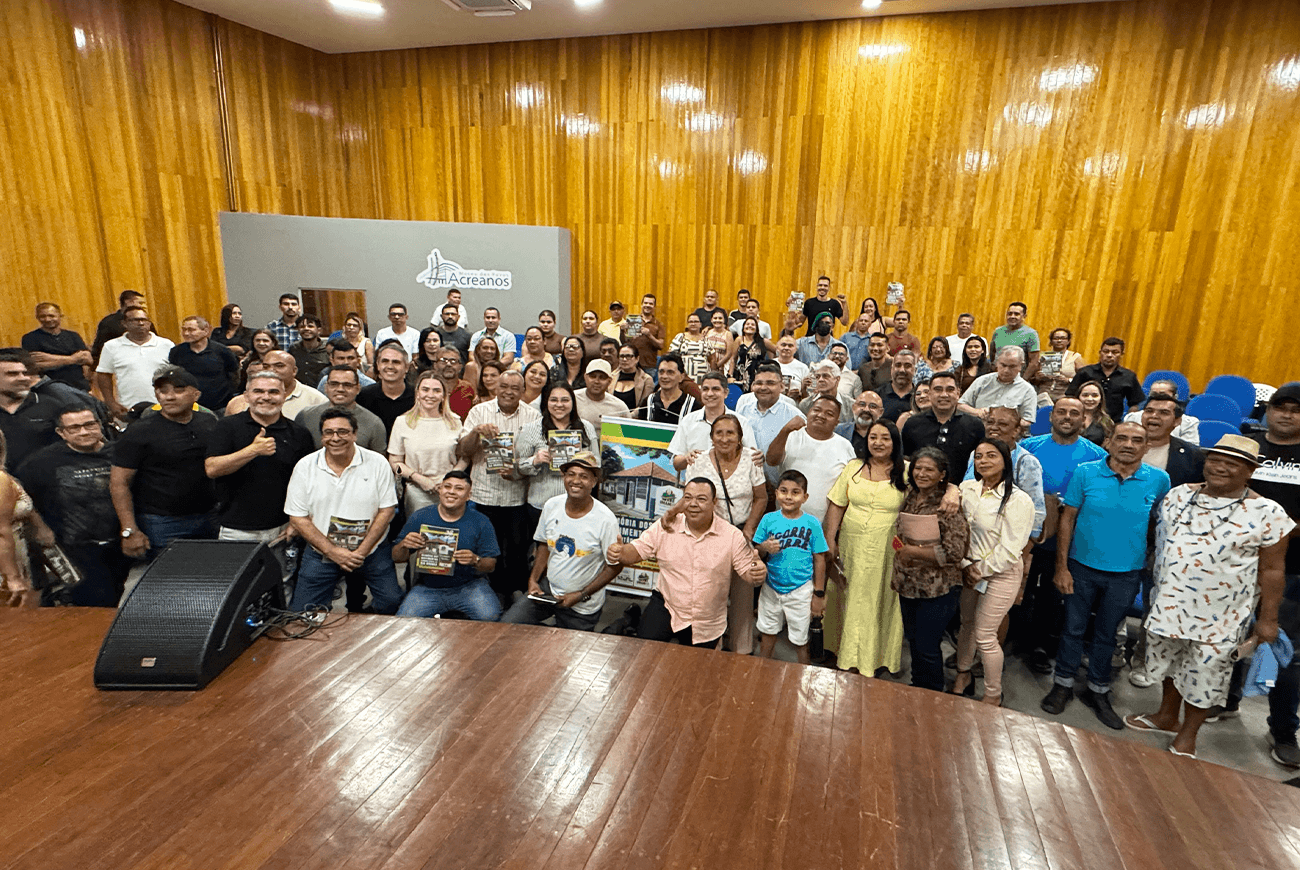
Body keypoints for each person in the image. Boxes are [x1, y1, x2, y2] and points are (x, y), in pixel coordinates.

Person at [1124, 435, 1293, 758]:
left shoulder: (1268, 513)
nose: (1220, 468)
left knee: (1207, 673)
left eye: (1233, 464)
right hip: (1170, 603)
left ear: (1250, 471)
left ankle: (1189, 734)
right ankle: (1166, 716)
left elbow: (1273, 570)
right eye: (1215, 460)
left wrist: (1268, 619)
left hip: (1222, 614)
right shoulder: (1177, 496)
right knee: (1169, 663)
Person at [1040, 422, 1170, 729]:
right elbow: (1067, 518)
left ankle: (1098, 690)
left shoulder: (1159, 480)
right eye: (1121, 438)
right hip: (1081, 567)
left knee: (1107, 634)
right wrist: (1062, 566)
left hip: (1126, 573)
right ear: (1109, 442)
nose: (1128, 444)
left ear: (1146, 447)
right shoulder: (1086, 472)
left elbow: (1159, 524)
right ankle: (1063, 683)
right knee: (1073, 628)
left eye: (1137, 440)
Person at [607, 478, 766, 647]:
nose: (693, 504)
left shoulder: (732, 535)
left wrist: (756, 572)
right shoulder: (666, 526)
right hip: (667, 606)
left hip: (707, 619)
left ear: (715, 502)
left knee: (694, 668)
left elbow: (748, 573)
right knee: (644, 653)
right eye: (688, 498)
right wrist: (620, 552)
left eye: (701, 499)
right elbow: (636, 552)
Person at [1016, 397, 1109, 672]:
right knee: (1018, 590)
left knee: (1052, 598)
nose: (1067, 417)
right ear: (1051, 417)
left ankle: (1041, 646)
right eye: (1061, 412)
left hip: (1068, 541)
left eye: (1074, 413)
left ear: (1084, 420)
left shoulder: (1097, 456)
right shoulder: (1028, 448)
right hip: (1026, 537)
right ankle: (1013, 638)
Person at [284, 409, 402, 614]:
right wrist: (333, 552)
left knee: (392, 603)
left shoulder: (377, 463)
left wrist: (360, 552)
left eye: (342, 432)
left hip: (371, 550)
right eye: (328, 432)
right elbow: (298, 517)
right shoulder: (305, 467)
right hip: (322, 551)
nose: (335, 438)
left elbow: (387, 510)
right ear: (321, 436)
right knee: (301, 614)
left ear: (355, 434)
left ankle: (362, 631)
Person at [15, 406, 129, 606]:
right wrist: (40, 528)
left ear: (100, 425)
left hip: (122, 543)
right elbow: (21, 496)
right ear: (61, 432)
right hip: (75, 548)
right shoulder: (40, 463)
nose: (84, 432)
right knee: (95, 603)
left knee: (124, 598)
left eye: (89, 425)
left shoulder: (122, 453)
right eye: (74, 428)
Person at [952, 439, 1036, 706]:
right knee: (966, 626)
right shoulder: (967, 489)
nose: (984, 461)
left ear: (1005, 461)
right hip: (969, 571)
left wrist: (981, 570)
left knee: (986, 635)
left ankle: (993, 693)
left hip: (1000, 574)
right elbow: (958, 531)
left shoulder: (1018, 499)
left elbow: (1012, 547)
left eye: (991, 456)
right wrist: (967, 566)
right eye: (978, 457)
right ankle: (963, 675)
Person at [501, 451, 623, 630]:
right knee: (508, 625)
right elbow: (543, 544)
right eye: (571, 474)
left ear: (594, 482)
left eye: (584, 476)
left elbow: (615, 566)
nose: (576, 481)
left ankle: (620, 624)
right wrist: (533, 580)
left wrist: (581, 595)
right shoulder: (551, 505)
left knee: (568, 654)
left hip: (582, 601)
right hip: (548, 590)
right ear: (563, 477)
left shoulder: (606, 519)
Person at [204, 370, 315, 566]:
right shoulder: (226, 427)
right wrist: (252, 451)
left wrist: (297, 523)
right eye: (258, 391)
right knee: (238, 588)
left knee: (282, 585)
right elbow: (212, 469)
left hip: (281, 528)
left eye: (273, 392)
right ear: (246, 396)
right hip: (236, 530)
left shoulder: (299, 434)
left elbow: (308, 484)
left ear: (284, 396)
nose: (266, 397)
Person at [823, 420, 908, 674]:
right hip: (851, 543)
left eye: (885, 438)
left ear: (895, 442)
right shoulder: (853, 468)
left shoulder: (906, 471)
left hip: (887, 547)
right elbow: (837, 504)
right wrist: (830, 539)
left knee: (877, 598)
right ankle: (843, 652)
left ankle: (874, 657)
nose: (878, 443)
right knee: (848, 593)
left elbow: (934, 490)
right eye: (873, 437)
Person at [1245, 383, 1300, 768]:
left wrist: (1277, 530)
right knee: (1230, 638)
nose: (1286, 414)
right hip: (1239, 561)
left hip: (1294, 566)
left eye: (1296, 410)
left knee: (1285, 649)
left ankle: (1283, 729)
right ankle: (1225, 701)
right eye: (1280, 407)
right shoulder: (1248, 444)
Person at [110, 367, 218, 561]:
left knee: (210, 577)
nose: (169, 397)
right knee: (169, 583)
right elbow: (119, 483)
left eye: (178, 390)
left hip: (209, 516)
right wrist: (129, 530)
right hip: (162, 522)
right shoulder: (139, 432)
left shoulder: (209, 422)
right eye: (162, 391)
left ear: (196, 394)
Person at [682, 415, 768, 654]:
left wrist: (749, 529)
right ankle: (711, 645)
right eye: (719, 433)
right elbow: (689, 499)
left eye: (730, 433)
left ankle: (742, 649)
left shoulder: (752, 459)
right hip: (709, 534)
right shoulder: (698, 460)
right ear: (711, 437)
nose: (724, 438)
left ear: (740, 437)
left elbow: (762, 497)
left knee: (743, 594)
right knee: (711, 592)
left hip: (742, 532)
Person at [458, 369, 541, 604]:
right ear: (496, 387)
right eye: (504, 386)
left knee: (515, 550)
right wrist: (476, 433)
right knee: (485, 549)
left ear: (523, 391)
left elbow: (535, 456)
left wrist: (516, 471)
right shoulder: (478, 411)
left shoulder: (533, 416)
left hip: (517, 495)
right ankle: (486, 594)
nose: (509, 392)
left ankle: (512, 592)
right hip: (483, 494)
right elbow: (464, 450)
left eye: (515, 388)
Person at [893, 447, 970, 691]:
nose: (922, 473)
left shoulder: (947, 505)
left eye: (929, 469)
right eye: (918, 468)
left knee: (927, 646)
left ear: (942, 475)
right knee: (914, 642)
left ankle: (933, 695)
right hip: (908, 584)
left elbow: (955, 553)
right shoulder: (910, 496)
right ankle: (917, 687)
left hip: (938, 588)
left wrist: (914, 552)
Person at [391, 470, 502, 621]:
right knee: (403, 621)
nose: (451, 492)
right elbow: (397, 558)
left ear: (469, 495)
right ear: (440, 490)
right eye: (447, 486)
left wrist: (475, 560)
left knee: (491, 617)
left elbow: (491, 565)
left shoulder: (481, 521)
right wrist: (404, 545)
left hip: (469, 586)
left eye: (459, 488)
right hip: (428, 588)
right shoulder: (421, 516)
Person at [754, 469, 829, 664]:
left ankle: (803, 675)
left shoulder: (812, 523)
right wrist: (764, 547)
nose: (788, 497)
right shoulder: (768, 519)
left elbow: (820, 559)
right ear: (777, 493)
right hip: (771, 586)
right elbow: (757, 552)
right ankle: (762, 667)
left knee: (801, 639)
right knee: (767, 632)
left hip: (801, 589)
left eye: (795, 492)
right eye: (784, 491)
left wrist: (818, 593)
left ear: (805, 497)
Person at [0, 349, 111, 472]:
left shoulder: (52, 406)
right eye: (12, 374)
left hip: (47, 480)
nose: (23, 378)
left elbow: (88, 442)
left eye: (24, 373)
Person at [517, 382, 598, 523]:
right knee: (542, 545)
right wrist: (535, 460)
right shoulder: (531, 429)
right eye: (553, 400)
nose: (559, 405)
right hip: (542, 503)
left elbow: (597, 462)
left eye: (565, 400)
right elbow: (519, 467)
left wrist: (585, 461)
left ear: (573, 402)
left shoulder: (586, 427)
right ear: (546, 402)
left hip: (579, 503)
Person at [769, 396, 857, 525]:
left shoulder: (845, 446)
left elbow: (850, 488)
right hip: (784, 523)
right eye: (816, 410)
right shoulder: (791, 435)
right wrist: (785, 430)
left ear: (837, 422)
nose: (821, 415)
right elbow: (771, 461)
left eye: (829, 414)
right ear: (808, 412)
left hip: (822, 527)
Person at [388, 370, 466, 513]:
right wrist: (419, 479)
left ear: (443, 396)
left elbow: (465, 458)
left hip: (450, 490)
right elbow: (395, 462)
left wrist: (448, 479)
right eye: (425, 389)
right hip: (416, 492)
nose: (430, 395)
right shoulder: (402, 422)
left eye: (436, 391)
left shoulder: (455, 422)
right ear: (417, 393)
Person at [902, 370, 985, 483]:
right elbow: (905, 460)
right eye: (938, 389)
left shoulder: (975, 425)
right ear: (930, 394)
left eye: (950, 390)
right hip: (921, 492)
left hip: (962, 493)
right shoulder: (912, 424)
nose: (944, 395)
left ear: (958, 393)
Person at [95, 306, 174, 418]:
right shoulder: (111, 346)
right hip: (127, 408)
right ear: (124, 324)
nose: (141, 323)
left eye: (144, 320)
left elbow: (175, 374)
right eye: (135, 320)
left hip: (163, 407)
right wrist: (110, 402)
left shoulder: (167, 345)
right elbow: (103, 374)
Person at [668, 371, 758, 467]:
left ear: (726, 393)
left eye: (715, 389)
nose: (710, 394)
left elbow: (753, 459)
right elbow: (676, 463)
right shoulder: (688, 421)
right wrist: (686, 458)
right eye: (705, 389)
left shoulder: (741, 422)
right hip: (696, 480)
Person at [734, 363, 804, 486]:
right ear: (752, 386)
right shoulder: (743, 412)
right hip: (746, 483)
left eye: (770, 383)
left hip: (780, 487)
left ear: (782, 387)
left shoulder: (794, 416)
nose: (763, 387)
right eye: (759, 383)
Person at [0, 429, 47, 609]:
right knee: (17, 616)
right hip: (7, 557)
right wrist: (12, 577)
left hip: (16, 549)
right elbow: (1, 531)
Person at [298, 365, 387, 453]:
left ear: (358, 389)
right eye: (334, 384)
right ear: (326, 387)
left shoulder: (373, 423)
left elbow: (379, 462)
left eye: (347, 385)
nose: (340, 389)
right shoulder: (306, 417)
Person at [224, 350, 327, 421]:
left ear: (294, 371)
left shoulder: (316, 400)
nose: (271, 370)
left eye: (279, 366)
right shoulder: (238, 403)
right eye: (266, 366)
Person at [169, 315, 239, 412]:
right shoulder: (176, 352)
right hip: (190, 408)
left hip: (220, 407)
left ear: (205, 331)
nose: (186, 333)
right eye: (184, 330)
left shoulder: (222, 351)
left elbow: (234, 374)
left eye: (191, 330)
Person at [1066, 338, 1144, 420]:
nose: (1109, 355)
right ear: (1100, 353)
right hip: (1083, 421)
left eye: (1115, 352)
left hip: (1113, 423)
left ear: (1121, 354)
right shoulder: (1085, 372)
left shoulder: (1129, 376)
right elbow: (1070, 396)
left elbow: (1135, 403)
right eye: (1106, 351)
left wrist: (1129, 421)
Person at [1138, 392, 1204, 487]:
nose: (1154, 416)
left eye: (1164, 412)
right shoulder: (1120, 446)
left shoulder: (1193, 456)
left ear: (1177, 421)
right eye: (1149, 411)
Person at [958, 346, 1037, 424]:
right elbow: (960, 404)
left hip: (1007, 433)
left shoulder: (1027, 390)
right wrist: (977, 412)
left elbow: (1028, 421)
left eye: (1012, 366)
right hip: (977, 429)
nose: (1006, 370)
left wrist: (1005, 420)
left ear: (1021, 366)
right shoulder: (982, 381)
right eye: (1003, 365)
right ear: (997, 363)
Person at [22, 303, 91, 391]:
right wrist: (73, 359)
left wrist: (49, 358)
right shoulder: (30, 338)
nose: (47, 319)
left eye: (51, 316)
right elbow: (36, 365)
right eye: (42, 316)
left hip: (79, 386)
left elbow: (88, 359)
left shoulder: (73, 336)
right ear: (37, 317)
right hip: (50, 388)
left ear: (60, 316)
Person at [357, 343, 415, 436]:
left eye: (396, 362)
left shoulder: (417, 396)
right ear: (378, 365)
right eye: (385, 361)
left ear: (406, 367)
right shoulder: (363, 396)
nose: (390, 366)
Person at [1122, 379, 1200, 443]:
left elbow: (1190, 451)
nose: (1158, 398)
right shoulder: (1132, 418)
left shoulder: (1189, 422)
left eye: (1163, 394)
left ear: (1175, 397)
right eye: (1154, 394)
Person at [635, 354, 698, 424]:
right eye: (661, 372)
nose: (664, 376)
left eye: (670, 372)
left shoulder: (693, 406)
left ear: (681, 377)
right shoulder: (648, 402)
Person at [574, 359, 627, 438]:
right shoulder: (571, 399)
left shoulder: (619, 407)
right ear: (585, 377)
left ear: (609, 381)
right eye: (593, 376)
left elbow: (628, 437)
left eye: (602, 378)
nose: (596, 381)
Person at [1031, 328, 1083, 405]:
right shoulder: (1043, 356)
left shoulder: (1075, 357)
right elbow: (1033, 380)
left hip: (1065, 395)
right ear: (1051, 341)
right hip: (1044, 394)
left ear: (1068, 341)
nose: (1059, 341)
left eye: (1063, 338)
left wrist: (1068, 380)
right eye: (1056, 338)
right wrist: (1038, 377)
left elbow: (1083, 378)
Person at [91, 289, 146, 363]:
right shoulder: (108, 323)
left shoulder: (146, 321)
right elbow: (100, 349)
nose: (144, 306)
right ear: (128, 302)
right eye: (141, 303)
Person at [990, 301, 1040, 375]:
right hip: (998, 376)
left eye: (1016, 314)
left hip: (1017, 378)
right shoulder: (998, 331)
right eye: (1009, 314)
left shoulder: (1031, 334)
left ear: (1024, 316)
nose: (1012, 316)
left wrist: (1023, 381)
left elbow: (1034, 362)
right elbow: (993, 353)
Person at [721, 316, 768, 391]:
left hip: (758, 376)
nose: (749, 326)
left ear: (756, 329)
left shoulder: (763, 341)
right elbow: (733, 358)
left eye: (752, 324)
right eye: (747, 324)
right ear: (743, 327)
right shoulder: (739, 339)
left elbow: (777, 351)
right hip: (741, 376)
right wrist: (730, 375)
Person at [834, 390, 883, 458]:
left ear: (880, 412)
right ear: (854, 408)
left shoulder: (888, 435)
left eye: (872, 406)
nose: (866, 409)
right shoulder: (838, 431)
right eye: (862, 404)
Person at [627, 294, 665, 378]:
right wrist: (622, 331)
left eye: (650, 304)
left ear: (654, 306)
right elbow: (626, 342)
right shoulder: (633, 321)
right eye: (645, 303)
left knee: (648, 390)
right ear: (641, 304)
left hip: (649, 366)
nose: (647, 305)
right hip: (632, 364)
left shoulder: (658, 324)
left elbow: (661, 345)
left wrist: (649, 335)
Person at [287, 315, 330, 389]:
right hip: (299, 391)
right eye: (302, 327)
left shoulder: (327, 349)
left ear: (319, 330)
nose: (306, 329)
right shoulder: (293, 348)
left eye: (310, 326)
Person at [669, 313, 711, 383]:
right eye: (691, 322)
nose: (693, 324)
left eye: (696, 321)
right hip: (684, 376)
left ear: (700, 324)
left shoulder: (706, 339)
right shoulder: (680, 337)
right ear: (687, 324)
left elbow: (712, 359)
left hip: (703, 377)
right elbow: (671, 354)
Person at [437, 348, 478, 420]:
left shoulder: (467, 388)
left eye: (453, 361)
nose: (448, 364)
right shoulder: (428, 389)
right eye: (443, 361)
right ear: (435, 365)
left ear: (460, 367)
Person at [612, 343, 654, 411]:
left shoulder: (646, 380)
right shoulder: (611, 377)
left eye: (628, 356)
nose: (624, 359)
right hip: (611, 419)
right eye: (621, 356)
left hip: (634, 419)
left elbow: (644, 407)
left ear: (637, 359)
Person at [878, 348, 917, 423]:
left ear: (915, 370)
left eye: (907, 366)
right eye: (898, 365)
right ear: (892, 369)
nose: (902, 370)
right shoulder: (877, 395)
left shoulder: (921, 398)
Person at [1075, 379, 1114, 446]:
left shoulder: (1107, 421)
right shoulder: (1069, 417)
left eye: (1095, 395)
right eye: (1085, 395)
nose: (1090, 399)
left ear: (1101, 399)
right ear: (1078, 397)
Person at [775, 334, 809, 399]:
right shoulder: (770, 365)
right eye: (783, 345)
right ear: (777, 348)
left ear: (795, 349)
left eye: (790, 346)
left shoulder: (803, 368)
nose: (786, 348)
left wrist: (801, 392)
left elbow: (806, 396)